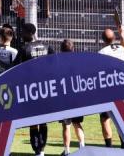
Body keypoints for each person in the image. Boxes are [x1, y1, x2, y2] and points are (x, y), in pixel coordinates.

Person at [15, 23, 55, 156]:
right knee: (43, 121)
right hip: (45, 90)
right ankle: (41, 151)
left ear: (28, 33)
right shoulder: (47, 47)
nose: (21, 35)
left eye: (23, 32)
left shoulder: (24, 49)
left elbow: (14, 70)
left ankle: (37, 150)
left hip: (30, 91)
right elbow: (55, 64)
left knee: (32, 122)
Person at [99, 25, 124, 147]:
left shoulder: (101, 53)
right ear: (114, 38)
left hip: (108, 90)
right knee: (120, 119)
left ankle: (109, 147)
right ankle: (123, 146)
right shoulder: (121, 49)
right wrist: (122, 34)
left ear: (102, 40)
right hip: (122, 90)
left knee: (105, 119)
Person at [58, 40, 85, 156]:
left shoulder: (58, 62)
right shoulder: (79, 61)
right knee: (77, 123)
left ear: (61, 50)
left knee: (66, 125)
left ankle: (67, 151)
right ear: (73, 49)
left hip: (65, 98)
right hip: (77, 97)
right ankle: (82, 148)